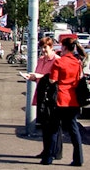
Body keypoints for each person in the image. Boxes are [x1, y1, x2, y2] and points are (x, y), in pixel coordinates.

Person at [45, 35, 85, 166]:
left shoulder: (59, 62)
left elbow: (52, 80)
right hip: (73, 99)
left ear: (65, 47)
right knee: (74, 130)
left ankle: (49, 157)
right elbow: (79, 79)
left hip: (60, 99)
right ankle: (79, 159)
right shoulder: (77, 62)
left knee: (54, 129)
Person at [28, 37, 61, 162]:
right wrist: (32, 77)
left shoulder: (57, 60)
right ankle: (46, 150)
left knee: (51, 125)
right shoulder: (41, 59)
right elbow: (38, 76)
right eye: (41, 47)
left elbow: (54, 78)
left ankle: (50, 154)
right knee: (44, 125)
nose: (43, 50)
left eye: (45, 47)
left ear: (51, 47)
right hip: (42, 94)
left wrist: (41, 76)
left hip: (51, 96)